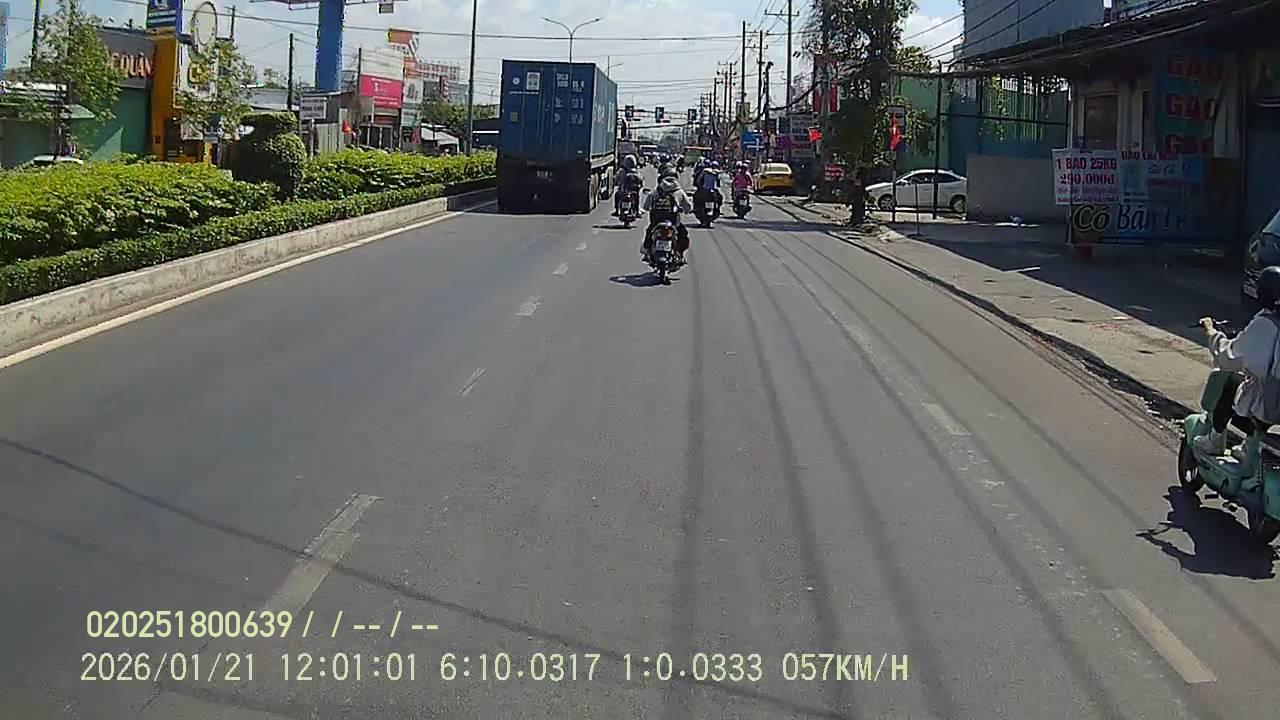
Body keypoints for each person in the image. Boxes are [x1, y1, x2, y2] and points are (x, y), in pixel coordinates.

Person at [1192, 265, 1280, 459]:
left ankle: (1215, 439)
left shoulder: (1266, 324)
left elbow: (1228, 356)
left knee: (1232, 380)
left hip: (1272, 404)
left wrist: (1211, 332)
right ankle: (1248, 445)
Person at [641, 167, 692, 263]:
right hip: (673, 222)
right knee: (683, 233)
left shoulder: (657, 190)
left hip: (656, 221)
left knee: (649, 232)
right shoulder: (679, 191)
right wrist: (686, 210)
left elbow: (646, 206)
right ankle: (680, 254)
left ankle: (647, 253)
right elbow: (688, 207)